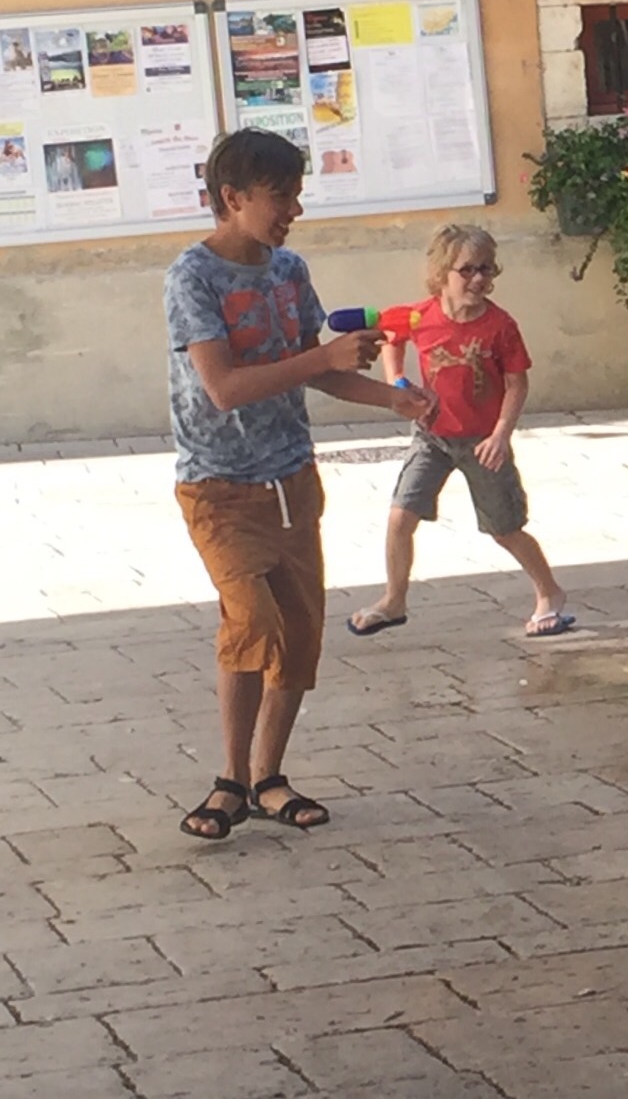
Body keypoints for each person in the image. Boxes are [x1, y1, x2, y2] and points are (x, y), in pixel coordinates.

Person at [166, 127, 435, 840]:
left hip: (291, 478)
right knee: (250, 620)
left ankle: (268, 780)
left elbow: (322, 367)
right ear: (233, 197)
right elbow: (224, 387)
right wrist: (323, 358)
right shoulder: (192, 276)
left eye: (297, 194)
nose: (294, 210)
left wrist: (395, 400)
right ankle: (229, 780)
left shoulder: (289, 270)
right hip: (219, 485)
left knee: (299, 634)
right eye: (281, 196)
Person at [347, 224, 572, 641]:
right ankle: (394, 600)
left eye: (486, 269)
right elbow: (392, 338)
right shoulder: (420, 316)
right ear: (441, 274)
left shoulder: (500, 326)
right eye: (466, 270)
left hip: (482, 441)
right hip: (432, 436)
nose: (478, 279)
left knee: (504, 528)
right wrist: (398, 383)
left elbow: (516, 384)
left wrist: (501, 435)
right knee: (400, 516)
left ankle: (549, 592)